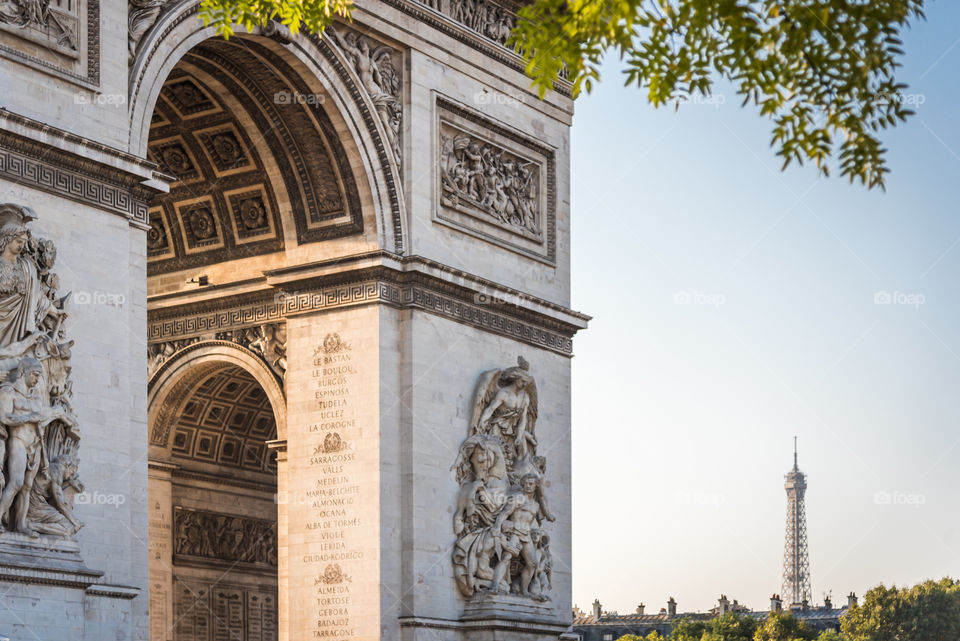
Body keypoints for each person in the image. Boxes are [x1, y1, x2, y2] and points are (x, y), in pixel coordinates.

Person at [0, 357, 76, 536]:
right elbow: (4, 418)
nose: (36, 379)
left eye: (39, 376)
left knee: (27, 486)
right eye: (34, 375)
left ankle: (20, 524)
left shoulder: (34, 395)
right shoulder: (8, 392)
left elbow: (40, 415)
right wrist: (30, 417)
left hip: (35, 446)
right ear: (23, 372)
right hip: (17, 441)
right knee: (16, 483)